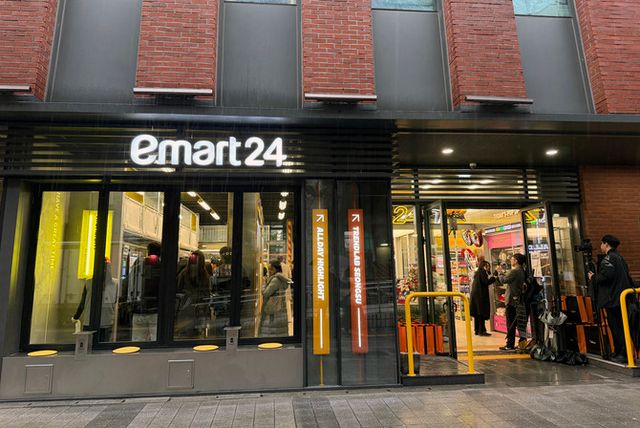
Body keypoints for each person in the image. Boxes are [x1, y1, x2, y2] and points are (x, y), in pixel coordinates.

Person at [588, 234, 634, 363]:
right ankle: (619, 351)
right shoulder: (620, 258)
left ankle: (623, 353)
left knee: (617, 327)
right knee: (621, 326)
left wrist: (593, 277)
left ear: (606, 244)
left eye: (601, 244)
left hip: (613, 299)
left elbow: (606, 276)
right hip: (621, 299)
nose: (600, 246)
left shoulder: (608, 258)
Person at [129, 242, 162, 342]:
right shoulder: (163, 268)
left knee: (138, 342)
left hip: (139, 310)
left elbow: (129, 285)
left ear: (148, 251)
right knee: (156, 341)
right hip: (156, 311)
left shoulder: (138, 266)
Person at [176, 250, 212, 338]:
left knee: (186, 333)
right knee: (198, 333)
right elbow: (207, 292)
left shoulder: (184, 273)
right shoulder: (205, 274)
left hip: (186, 307)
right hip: (200, 308)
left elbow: (178, 289)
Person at [497, 253, 526, 351]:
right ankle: (522, 343)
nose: (511, 260)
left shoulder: (515, 271)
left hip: (511, 300)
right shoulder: (522, 270)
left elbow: (503, 280)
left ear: (516, 261)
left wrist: (500, 272)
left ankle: (510, 344)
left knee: (510, 323)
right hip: (518, 300)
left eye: (512, 259)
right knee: (519, 323)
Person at [260, 260, 289, 336]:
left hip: (273, 306)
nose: (269, 271)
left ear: (275, 269)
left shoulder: (275, 280)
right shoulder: (281, 278)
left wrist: (264, 285)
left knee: (271, 328)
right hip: (278, 306)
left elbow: (266, 293)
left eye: (270, 269)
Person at [470, 260, 496, 336]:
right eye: (487, 266)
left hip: (476, 296)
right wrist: (494, 277)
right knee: (481, 313)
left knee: (477, 314)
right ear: (484, 266)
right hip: (480, 297)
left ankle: (477, 330)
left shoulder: (478, 273)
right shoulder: (482, 272)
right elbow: (486, 282)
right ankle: (482, 331)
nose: (488, 268)